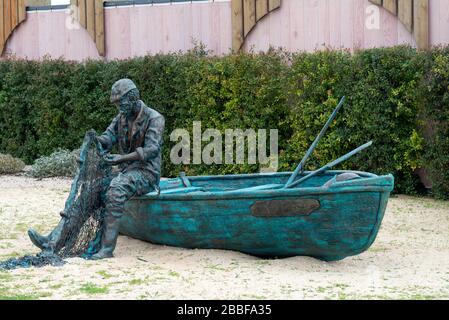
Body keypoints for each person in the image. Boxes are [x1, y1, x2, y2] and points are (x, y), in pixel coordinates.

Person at [27, 79, 165, 260]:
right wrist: (95, 141)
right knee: (92, 189)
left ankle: (107, 249)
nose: (118, 107)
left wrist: (122, 158)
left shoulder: (155, 118)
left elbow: (151, 149)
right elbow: (108, 138)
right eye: (116, 104)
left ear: (132, 98)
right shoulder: (121, 118)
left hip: (147, 173)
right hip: (126, 172)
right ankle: (54, 242)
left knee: (116, 190)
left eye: (120, 103)